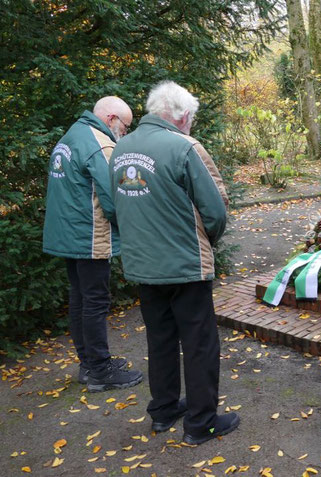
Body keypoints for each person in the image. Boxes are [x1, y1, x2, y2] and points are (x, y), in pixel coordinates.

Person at [110, 81, 236, 445]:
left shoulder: (120, 149)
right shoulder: (183, 147)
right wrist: (204, 244)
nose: (191, 124)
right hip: (185, 265)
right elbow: (215, 210)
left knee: (160, 339)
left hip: (143, 266)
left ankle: (163, 411)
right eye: (191, 118)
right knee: (199, 344)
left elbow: (111, 205)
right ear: (182, 117)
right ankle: (201, 423)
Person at [42, 96, 143, 392]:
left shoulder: (71, 136)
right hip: (90, 237)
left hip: (67, 234)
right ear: (111, 118)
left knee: (80, 298)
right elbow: (113, 197)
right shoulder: (100, 143)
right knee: (95, 301)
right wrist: (129, 227)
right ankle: (100, 371)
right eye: (124, 126)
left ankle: (90, 364)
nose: (123, 133)